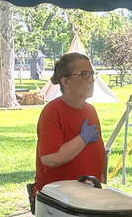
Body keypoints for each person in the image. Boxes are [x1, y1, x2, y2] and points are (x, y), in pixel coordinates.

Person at [33, 52, 105, 201]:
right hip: (59, 199)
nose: (91, 79)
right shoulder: (53, 111)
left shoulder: (90, 111)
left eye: (92, 74)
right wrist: (82, 139)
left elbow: (97, 154)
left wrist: (101, 185)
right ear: (65, 82)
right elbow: (50, 158)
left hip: (90, 195)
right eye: (84, 74)